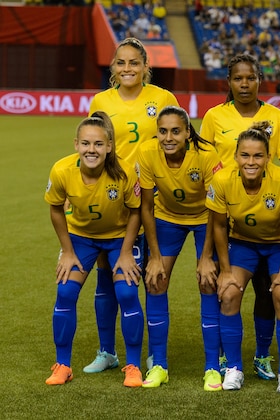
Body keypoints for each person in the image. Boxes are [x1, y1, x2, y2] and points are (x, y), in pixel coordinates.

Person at [200, 53, 280, 380]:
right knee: (226, 287)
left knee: (269, 293)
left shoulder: (277, 118)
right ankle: (227, 361)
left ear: (259, 80)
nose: (244, 84)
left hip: (269, 214)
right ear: (229, 82)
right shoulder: (214, 117)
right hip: (229, 215)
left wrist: (278, 199)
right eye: (238, 78)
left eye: (250, 78)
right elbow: (206, 163)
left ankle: (262, 356)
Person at [85, 37, 179, 375]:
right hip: (114, 200)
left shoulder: (163, 98)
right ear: (113, 68)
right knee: (107, 277)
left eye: (134, 63)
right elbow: (92, 146)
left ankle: (155, 356)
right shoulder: (100, 100)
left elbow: (177, 140)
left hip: (154, 199)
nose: (127, 69)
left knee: (152, 276)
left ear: (145, 67)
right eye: (121, 63)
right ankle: (107, 351)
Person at [44, 112, 144, 387]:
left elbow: (136, 212)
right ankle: (63, 365)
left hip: (119, 238)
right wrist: (67, 250)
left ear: (109, 146)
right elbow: (55, 209)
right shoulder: (62, 170)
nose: (92, 149)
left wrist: (125, 252)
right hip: (81, 238)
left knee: (126, 292)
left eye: (99, 144)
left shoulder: (124, 172)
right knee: (65, 291)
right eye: (86, 143)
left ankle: (132, 365)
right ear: (76, 143)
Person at [207, 122, 280, 392]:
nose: (251, 161)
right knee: (229, 292)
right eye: (245, 155)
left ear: (268, 158)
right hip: (243, 244)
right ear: (235, 156)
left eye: (258, 156)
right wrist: (224, 270)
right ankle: (234, 368)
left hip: (277, 245)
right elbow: (219, 225)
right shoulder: (223, 180)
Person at [138, 106, 224, 390]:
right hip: (166, 218)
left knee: (208, 282)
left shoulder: (207, 155)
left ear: (188, 132)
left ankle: (212, 366)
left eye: (176, 131)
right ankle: (159, 364)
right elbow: (147, 207)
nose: (169, 137)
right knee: (155, 281)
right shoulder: (147, 153)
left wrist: (207, 256)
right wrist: (154, 256)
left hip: (205, 218)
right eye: (163, 131)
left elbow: (216, 208)